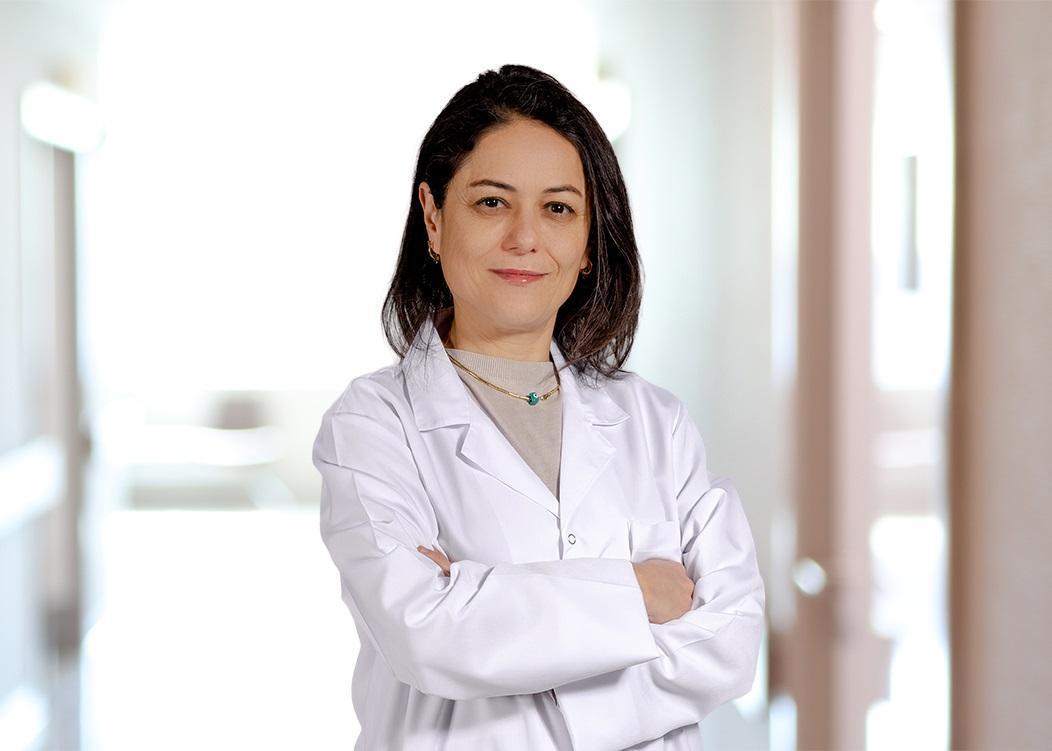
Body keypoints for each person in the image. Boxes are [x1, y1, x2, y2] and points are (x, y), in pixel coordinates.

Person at [313, 63, 765, 751]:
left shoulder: (656, 423)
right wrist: (638, 593)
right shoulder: (373, 424)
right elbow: (426, 634)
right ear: (434, 216)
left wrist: (490, 607)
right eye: (492, 202)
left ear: (588, 243)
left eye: (558, 209)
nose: (525, 237)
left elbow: (731, 640)